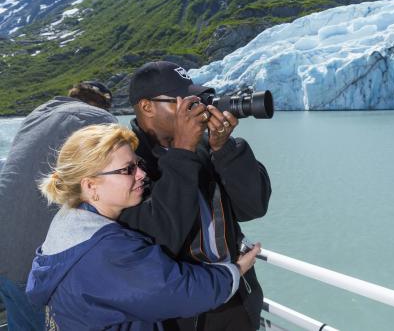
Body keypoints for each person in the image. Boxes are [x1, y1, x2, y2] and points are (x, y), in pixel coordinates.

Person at [26, 124, 261, 330]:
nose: (141, 174)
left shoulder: (68, 227)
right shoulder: (106, 252)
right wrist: (235, 271)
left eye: (137, 164)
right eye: (127, 170)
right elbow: (178, 291)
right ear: (91, 186)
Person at [120, 61, 271, 331]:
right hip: (181, 316)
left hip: (235, 300)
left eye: (197, 99)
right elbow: (160, 237)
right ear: (147, 107)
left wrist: (226, 150)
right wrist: (182, 152)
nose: (196, 107)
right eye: (183, 101)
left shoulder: (205, 147)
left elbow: (253, 207)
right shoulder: (125, 165)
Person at [0, 81, 116, 331]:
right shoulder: (97, 119)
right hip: (36, 261)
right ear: (102, 103)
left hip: (5, 247)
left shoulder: (37, 115)